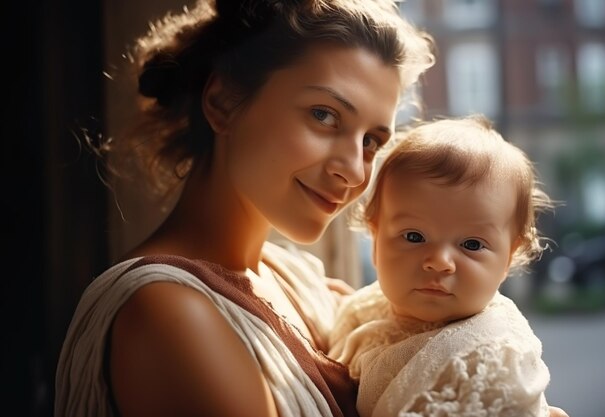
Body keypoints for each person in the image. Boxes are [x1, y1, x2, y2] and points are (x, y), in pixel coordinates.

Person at [54, 1, 436, 417]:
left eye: (371, 142)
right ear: (222, 102)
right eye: (324, 115)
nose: (353, 171)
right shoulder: (168, 313)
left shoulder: (297, 281)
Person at [328, 115, 559, 417]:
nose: (439, 262)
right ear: (375, 239)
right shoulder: (361, 309)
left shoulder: (495, 359)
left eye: (472, 245)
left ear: (508, 257)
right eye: (414, 236)